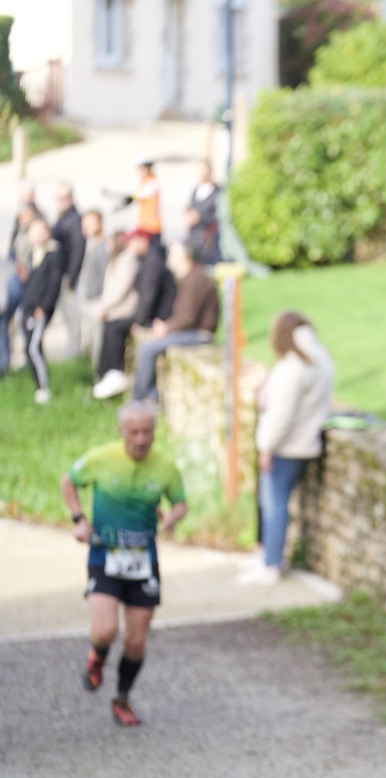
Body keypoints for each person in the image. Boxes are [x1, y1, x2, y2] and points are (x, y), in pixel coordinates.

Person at [60, 400, 188, 727]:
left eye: (147, 432)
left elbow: (180, 503)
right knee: (105, 630)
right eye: (134, 432)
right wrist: (79, 519)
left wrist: (172, 517)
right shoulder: (101, 458)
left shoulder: (165, 466)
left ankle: (122, 699)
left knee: (135, 641)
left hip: (144, 561)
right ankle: (97, 655)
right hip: (105, 556)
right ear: (121, 431)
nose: (141, 439)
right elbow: (68, 481)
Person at [238, 311, 335, 585]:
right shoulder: (320, 357)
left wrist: (267, 447)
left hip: (286, 447)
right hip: (305, 443)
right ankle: (267, 556)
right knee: (274, 503)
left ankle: (271, 563)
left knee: (274, 504)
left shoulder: (293, 367)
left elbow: (281, 416)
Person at [130, 241, 219, 402]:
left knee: (147, 349)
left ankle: (139, 398)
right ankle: (150, 396)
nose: (169, 259)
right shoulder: (191, 276)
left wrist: (166, 328)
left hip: (199, 334)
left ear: (184, 257)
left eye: (172, 255)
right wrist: (165, 326)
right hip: (190, 331)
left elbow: (188, 318)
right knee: (148, 344)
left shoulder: (196, 278)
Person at [18, 218, 64, 404]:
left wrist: (44, 307)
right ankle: (37, 384)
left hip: (39, 309)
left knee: (33, 348)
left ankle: (43, 388)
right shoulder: (33, 254)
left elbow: (54, 284)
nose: (38, 235)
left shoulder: (53, 255)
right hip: (28, 307)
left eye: (41, 231)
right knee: (29, 348)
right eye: (34, 232)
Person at [92, 231, 142, 398]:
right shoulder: (115, 260)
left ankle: (116, 372)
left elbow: (121, 290)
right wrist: (104, 307)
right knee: (107, 330)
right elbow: (109, 289)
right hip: (114, 309)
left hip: (126, 310)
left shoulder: (127, 261)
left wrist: (105, 307)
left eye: (110, 243)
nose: (107, 247)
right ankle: (104, 374)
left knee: (113, 329)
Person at [1, 203, 42, 376]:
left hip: (27, 284)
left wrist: (27, 269)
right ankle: (5, 363)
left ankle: (24, 361)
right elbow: (12, 255)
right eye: (21, 216)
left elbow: (38, 261)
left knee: (22, 322)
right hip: (14, 280)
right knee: (6, 322)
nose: (23, 219)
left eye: (27, 215)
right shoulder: (19, 232)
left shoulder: (37, 232)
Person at [52, 182, 86, 358]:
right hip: (61, 274)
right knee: (66, 315)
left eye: (64, 198)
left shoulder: (73, 220)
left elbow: (78, 250)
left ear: (71, 198)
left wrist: (71, 278)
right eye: (58, 198)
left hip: (68, 276)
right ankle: (72, 351)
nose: (61, 201)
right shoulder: (63, 217)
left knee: (72, 316)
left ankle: (74, 353)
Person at [78, 210, 110, 372]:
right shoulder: (90, 245)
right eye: (84, 224)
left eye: (89, 223)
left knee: (98, 346)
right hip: (88, 300)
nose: (86, 227)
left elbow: (106, 278)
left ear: (100, 223)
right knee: (89, 344)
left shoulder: (104, 247)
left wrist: (103, 304)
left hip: (97, 302)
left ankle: (100, 377)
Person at [185, 160, 221, 266]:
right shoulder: (196, 190)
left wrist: (200, 217)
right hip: (194, 234)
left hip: (208, 236)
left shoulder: (217, 192)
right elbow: (190, 207)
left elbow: (219, 215)